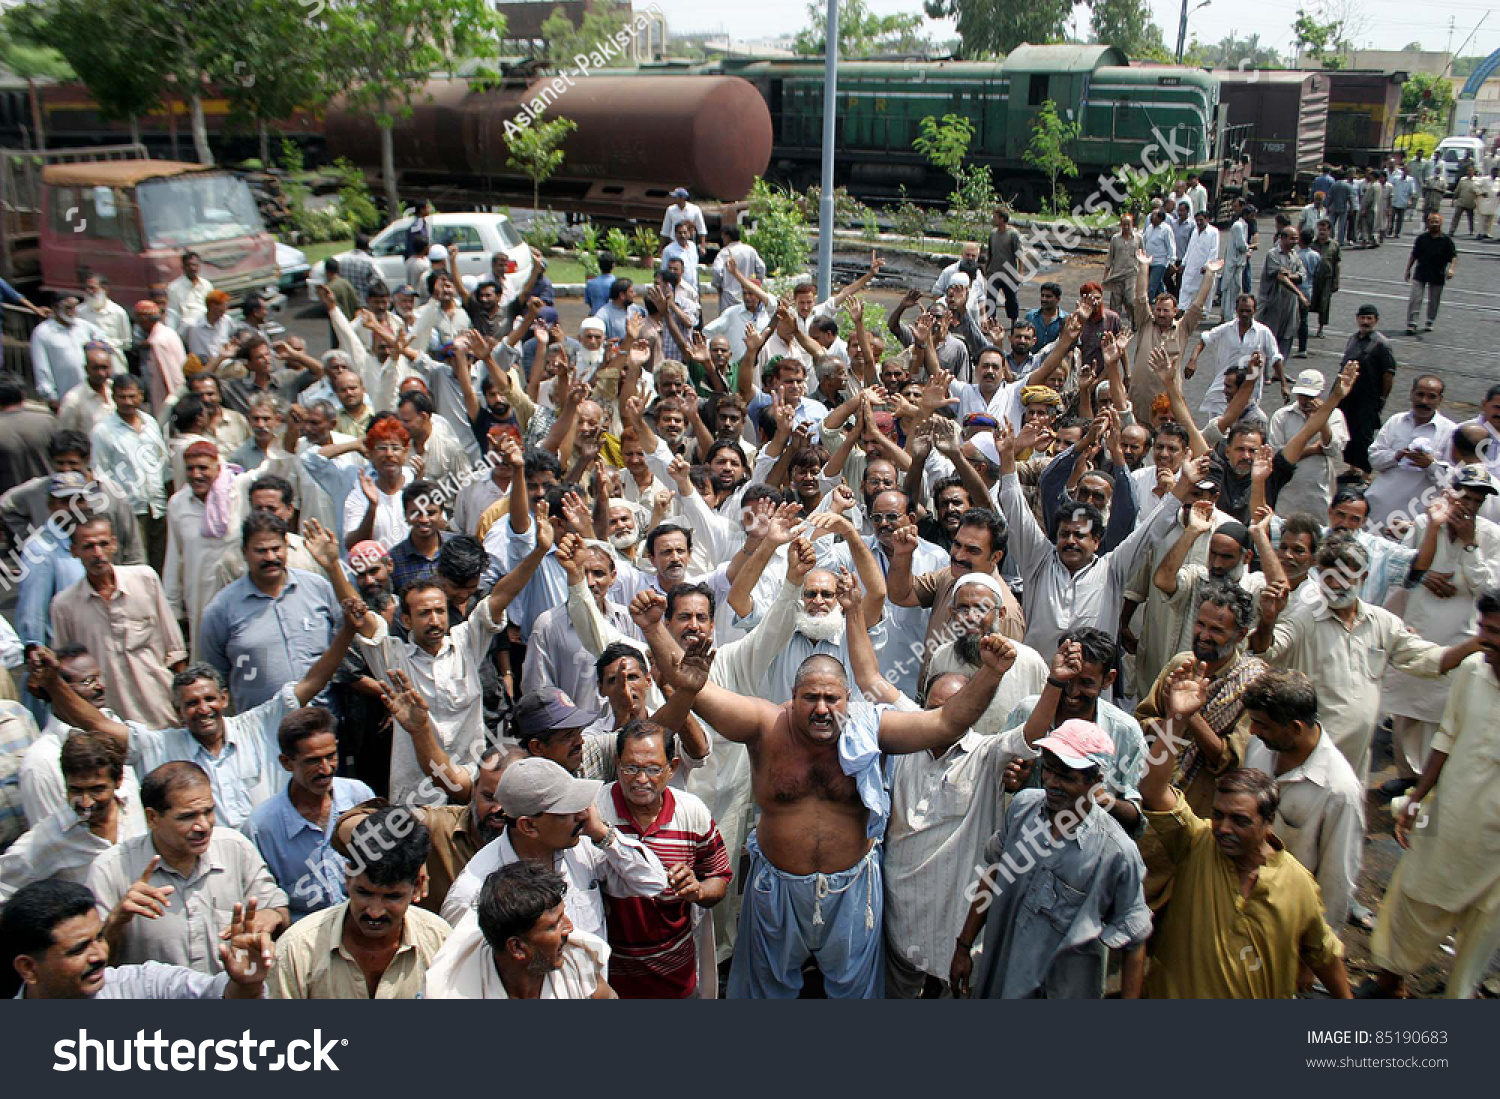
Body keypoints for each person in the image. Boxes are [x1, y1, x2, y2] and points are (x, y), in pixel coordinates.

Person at [655, 625, 1017, 998]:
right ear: (792, 697)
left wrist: (991, 672)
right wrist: (653, 629)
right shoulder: (764, 724)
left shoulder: (871, 729)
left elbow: (946, 723)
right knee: (764, 993)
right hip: (775, 891)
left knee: (855, 995)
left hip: (853, 892)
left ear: (849, 698)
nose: (822, 708)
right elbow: (696, 686)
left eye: (832, 698)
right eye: (810, 697)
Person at [33, 591, 355, 829]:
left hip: (274, 854)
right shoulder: (161, 747)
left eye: (209, 699)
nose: (203, 709)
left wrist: (348, 631)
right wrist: (54, 683)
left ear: (225, 699)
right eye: (191, 703)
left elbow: (312, 681)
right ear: (178, 711)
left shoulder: (258, 724)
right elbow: (98, 725)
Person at [1136, 669, 1353, 998]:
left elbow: (1324, 953)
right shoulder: (1198, 842)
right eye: (1219, 815)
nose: (1223, 828)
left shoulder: (1298, 884)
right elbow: (1153, 789)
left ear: (1269, 824)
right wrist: (1178, 720)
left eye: (1239, 821)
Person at [951, 719, 1152, 999]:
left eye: (1067, 777)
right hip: (999, 976)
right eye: (1048, 770)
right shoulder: (1023, 808)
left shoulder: (1117, 852)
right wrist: (963, 946)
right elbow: (994, 874)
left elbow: (1135, 940)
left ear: (1095, 782)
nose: (1052, 783)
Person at [1365, 590, 1500, 999]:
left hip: (1496, 846)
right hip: (1449, 814)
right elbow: (1446, 737)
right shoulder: (1474, 671)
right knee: (1413, 894)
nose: (1482, 639)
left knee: (1484, 927)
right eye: (1481, 628)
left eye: (1493, 631)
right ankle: (1390, 982)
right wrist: (1418, 798)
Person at [86, 761, 289, 973]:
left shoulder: (235, 849)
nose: (203, 826)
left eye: (208, 812)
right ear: (152, 818)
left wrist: (272, 916)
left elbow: (280, 912)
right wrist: (117, 922)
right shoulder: (110, 869)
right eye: (188, 816)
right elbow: (91, 963)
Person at [439, 755, 668, 929]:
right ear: (528, 826)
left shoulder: (583, 848)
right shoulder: (473, 895)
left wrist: (603, 834)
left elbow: (653, 882)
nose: (583, 815)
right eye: (567, 810)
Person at [593, 718, 731, 998]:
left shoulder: (692, 813)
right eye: (631, 768)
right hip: (609, 981)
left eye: (653, 769)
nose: (641, 780)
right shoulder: (595, 813)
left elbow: (719, 876)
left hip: (675, 977)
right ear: (617, 765)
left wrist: (698, 890)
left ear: (673, 768)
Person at [268, 806, 450, 998]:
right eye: (364, 893)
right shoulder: (297, 950)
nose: (375, 912)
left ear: (417, 886)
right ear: (348, 877)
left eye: (392, 896)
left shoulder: (440, 943)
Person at [3, 879, 272, 999]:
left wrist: (247, 984)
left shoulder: (141, 986)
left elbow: (216, 997)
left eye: (99, 938)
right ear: (28, 968)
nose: (99, 955)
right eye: (78, 950)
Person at [1240, 668, 1364, 929]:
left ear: (1295, 728)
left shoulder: (1339, 791)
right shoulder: (1260, 748)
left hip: (1288, 919)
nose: (1252, 731)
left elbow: (1336, 881)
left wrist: (1317, 949)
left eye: (1262, 724)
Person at [50, 516, 185, 728]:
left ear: (114, 544)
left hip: (161, 712)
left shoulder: (145, 580)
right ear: (75, 551)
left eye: (103, 544)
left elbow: (175, 652)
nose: (97, 553)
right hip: (110, 723)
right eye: (88, 547)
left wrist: (183, 704)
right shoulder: (64, 606)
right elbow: (66, 675)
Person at [197, 512, 338, 712]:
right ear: (245, 552)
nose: (270, 557)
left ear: (287, 546)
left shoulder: (318, 589)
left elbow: (344, 644)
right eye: (261, 551)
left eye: (275, 549)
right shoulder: (221, 610)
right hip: (263, 729)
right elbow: (215, 676)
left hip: (325, 720)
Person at [246, 707, 375, 922]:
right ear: (287, 763)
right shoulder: (262, 827)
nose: (326, 769)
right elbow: (265, 899)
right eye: (313, 761)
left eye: (331, 756)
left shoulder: (359, 796)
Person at [425, 861, 615, 998]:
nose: (570, 928)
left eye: (563, 916)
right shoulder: (453, 992)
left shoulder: (577, 963)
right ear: (517, 947)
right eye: (554, 924)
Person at [0, 731, 145, 901]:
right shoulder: (47, 838)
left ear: (119, 780)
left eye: (97, 789)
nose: (85, 802)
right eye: (76, 790)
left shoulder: (135, 799)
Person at [1364, 374, 1456, 532]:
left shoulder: (1450, 432)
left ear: (1440, 399)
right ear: (1412, 394)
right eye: (1420, 394)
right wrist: (1397, 456)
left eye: (1431, 397)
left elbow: (1450, 482)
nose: (1424, 401)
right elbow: (1374, 459)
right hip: (1379, 506)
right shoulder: (1396, 421)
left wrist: (1430, 465)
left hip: (1415, 514)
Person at [1269, 369, 1348, 517]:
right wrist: (1312, 450)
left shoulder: (1335, 416)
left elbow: (1334, 450)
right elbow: (1276, 457)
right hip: (1288, 493)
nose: (1305, 401)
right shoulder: (1282, 416)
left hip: (1318, 493)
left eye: (1310, 396)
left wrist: (1322, 421)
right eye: (1301, 396)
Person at [1337, 303, 1397, 473]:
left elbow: (1388, 374)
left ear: (1376, 321)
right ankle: (1352, 468)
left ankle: (1366, 473)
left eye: (1369, 318)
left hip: (1368, 398)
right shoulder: (1353, 339)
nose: (1365, 322)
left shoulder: (1381, 344)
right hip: (1349, 396)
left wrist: (1382, 398)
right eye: (1362, 318)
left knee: (1364, 436)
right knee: (1348, 432)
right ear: (1357, 319)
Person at [30, 292, 105, 410]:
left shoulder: (84, 327)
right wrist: (51, 396)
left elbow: (103, 340)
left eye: (74, 307)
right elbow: (42, 367)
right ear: (55, 308)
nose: (72, 311)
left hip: (91, 392)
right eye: (68, 308)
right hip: (65, 394)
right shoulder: (43, 333)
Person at [1404, 212, 1458, 335]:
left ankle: (1430, 320)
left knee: (1434, 300)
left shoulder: (1446, 240)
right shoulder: (1421, 238)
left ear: (1441, 223)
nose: (1434, 224)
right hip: (1421, 271)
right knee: (1415, 298)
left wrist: (1451, 269)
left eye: (1436, 222)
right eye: (1432, 221)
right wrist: (1408, 270)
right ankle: (1412, 323)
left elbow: (1454, 256)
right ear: (1428, 223)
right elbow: (1414, 255)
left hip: (1437, 272)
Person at [1308, 218, 1341, 339]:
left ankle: (1320, 328)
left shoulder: (1334, 245)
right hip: (1313, 279)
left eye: (1324, 230)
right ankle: (1303, 325)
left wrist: (1336, 280)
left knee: (1324, 304)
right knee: (1308, 302)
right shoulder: (1312, 244)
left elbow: (1337, 263)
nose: (1322, 232)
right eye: (1320, 229)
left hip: (1327, 279)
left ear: (1329, 230)